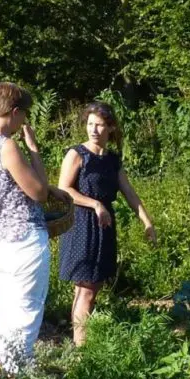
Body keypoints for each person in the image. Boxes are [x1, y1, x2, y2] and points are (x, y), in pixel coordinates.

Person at [0, 82, 68, 371]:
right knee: (25, 315)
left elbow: (14, 185)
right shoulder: (7, 146)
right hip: (22, 241)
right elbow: (38, 192)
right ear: (15, 112)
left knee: (6, 313)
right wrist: (34, 150)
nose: (24, 121)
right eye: (24, 114)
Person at [58, 102, 156, 346]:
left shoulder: (112, 159)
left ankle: (80, 342)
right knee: (86, 289)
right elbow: (64, 189)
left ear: (111, 128)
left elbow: (129, 193)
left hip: (104, 226)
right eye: (90, 124)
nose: (93, 129)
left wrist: (147, 222)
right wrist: (95, 205)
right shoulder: (77, 154)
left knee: (91, 287)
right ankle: (82, 349)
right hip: (81, 224)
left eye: (99, 125)